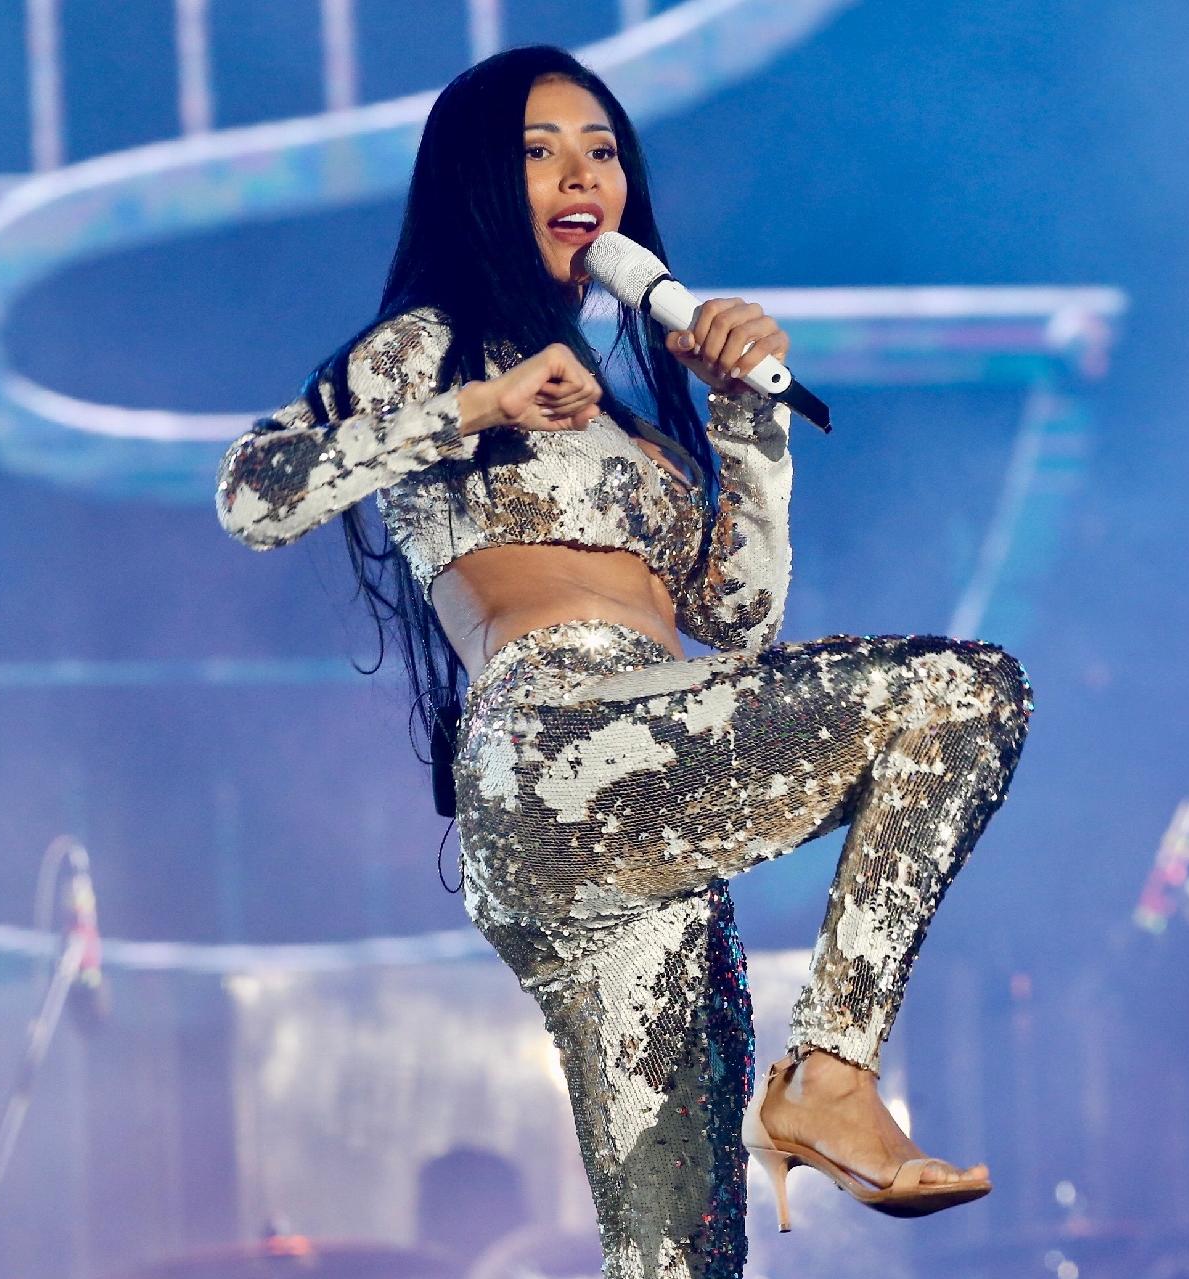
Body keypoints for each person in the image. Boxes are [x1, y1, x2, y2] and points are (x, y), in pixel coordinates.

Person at [215, 44, 1031, 1279]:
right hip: (558, 743)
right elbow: (254, 493)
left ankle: (816, 1089)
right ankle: (831, 1070)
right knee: (964, 691)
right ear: (479, 183)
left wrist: (744, 417)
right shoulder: (424, 351)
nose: (579, 173)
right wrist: (476, 406)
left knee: (680, 1257)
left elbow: (739, 618)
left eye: (600, 151)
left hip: (647, 797)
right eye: (539, 151)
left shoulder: (629, 419)